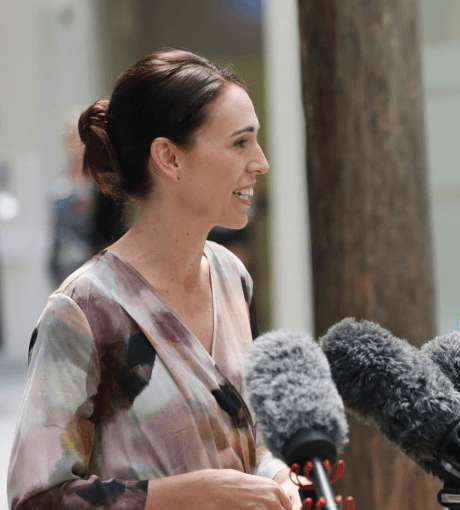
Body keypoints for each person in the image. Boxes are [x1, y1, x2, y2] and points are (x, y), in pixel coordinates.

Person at [7, 49, 303, 510]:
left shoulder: (230, 277)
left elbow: (248, 434)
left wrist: (276, 475)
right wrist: (188, 495)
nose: (261, 163)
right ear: (169, 157)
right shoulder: (85, 309)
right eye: (240, 143)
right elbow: (35, 499)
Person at [48, 111, 99, 287]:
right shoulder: (58, 186)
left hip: (93, 269)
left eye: (78, 137)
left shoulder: (98, 185)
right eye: (69, 137)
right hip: (64, 272)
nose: (74, 143)